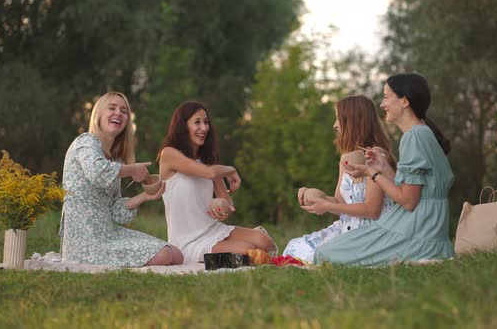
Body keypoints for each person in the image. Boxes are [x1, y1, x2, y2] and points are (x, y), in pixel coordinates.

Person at [314, 73, 456, 266]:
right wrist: (383, 167)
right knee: (330, 250)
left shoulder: (413, 137)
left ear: (404, 101)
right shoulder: (422, 134)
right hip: (428, 229)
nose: (382, 104)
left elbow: (408, 201)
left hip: (418, 232)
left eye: (387, 97)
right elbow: (413, 189)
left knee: (325, 254)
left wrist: (371, 173)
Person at [60, 91, 183, 267]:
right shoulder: (86, 142)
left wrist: (144, 196)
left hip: (108, 234)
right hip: (85, 242)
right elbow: (98, 172)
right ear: (99, 115)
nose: (118, 113)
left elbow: (116, 212)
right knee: (164, 255)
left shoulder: (114, 159)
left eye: (124, 111)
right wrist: (132, 169)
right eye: (112, 108)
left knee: (176, 254)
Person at [158, 100, 276, 263]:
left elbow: (227, 206)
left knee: (265, 242)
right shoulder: (169, 155)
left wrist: (220, 206)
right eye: (197, 122)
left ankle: (230, 257)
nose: (204, 128)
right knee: (250, 251)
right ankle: (218, 259)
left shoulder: (208, 161)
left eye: (206, 122)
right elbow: (210, 173)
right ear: (183, 126)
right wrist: (231, 169)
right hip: (188, 243)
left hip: (214, 230)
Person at [282, 95, 396, 263]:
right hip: (346, 229)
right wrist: (314, 196)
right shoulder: (346, 158)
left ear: (353, 122)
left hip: (370, 234)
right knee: (294, 248)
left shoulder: (375, 156)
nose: (335, 125)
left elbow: (372, 210)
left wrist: (327, 205)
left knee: (314, 257)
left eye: (338, 119)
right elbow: (339, 202)